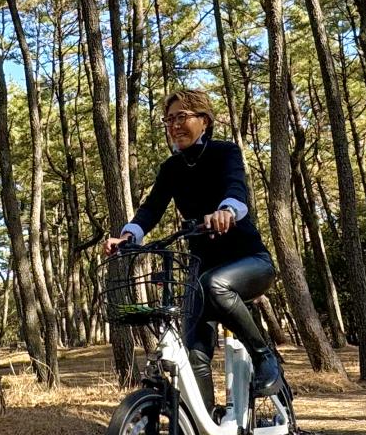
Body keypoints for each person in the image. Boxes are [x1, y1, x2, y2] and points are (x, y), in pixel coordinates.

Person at [104, 89, 283, 415]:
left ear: (204, 120)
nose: (175, 125)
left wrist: (227, 211)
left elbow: (235, 186)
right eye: (169, 119)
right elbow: (151, 208)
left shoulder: (225, 152)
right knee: (195, 352)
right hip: (202, 272)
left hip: (250, 262)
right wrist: (128, 235)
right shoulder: (171, 168)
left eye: (182, 117)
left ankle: (264, 356)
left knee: (214, 284)